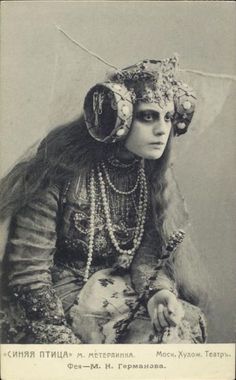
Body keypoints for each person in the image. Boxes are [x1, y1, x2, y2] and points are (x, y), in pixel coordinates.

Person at [0, 56, 207, 344]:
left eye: (169, 117)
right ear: (117, 118)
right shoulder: (59, 170)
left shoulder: (155, 179)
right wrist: (58, 334)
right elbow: (28, 269)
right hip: (56, 294)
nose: (162, 129)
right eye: (148, 116)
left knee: (180, 326)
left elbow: (148, 257)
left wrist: (158, 294)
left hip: (118, 287)